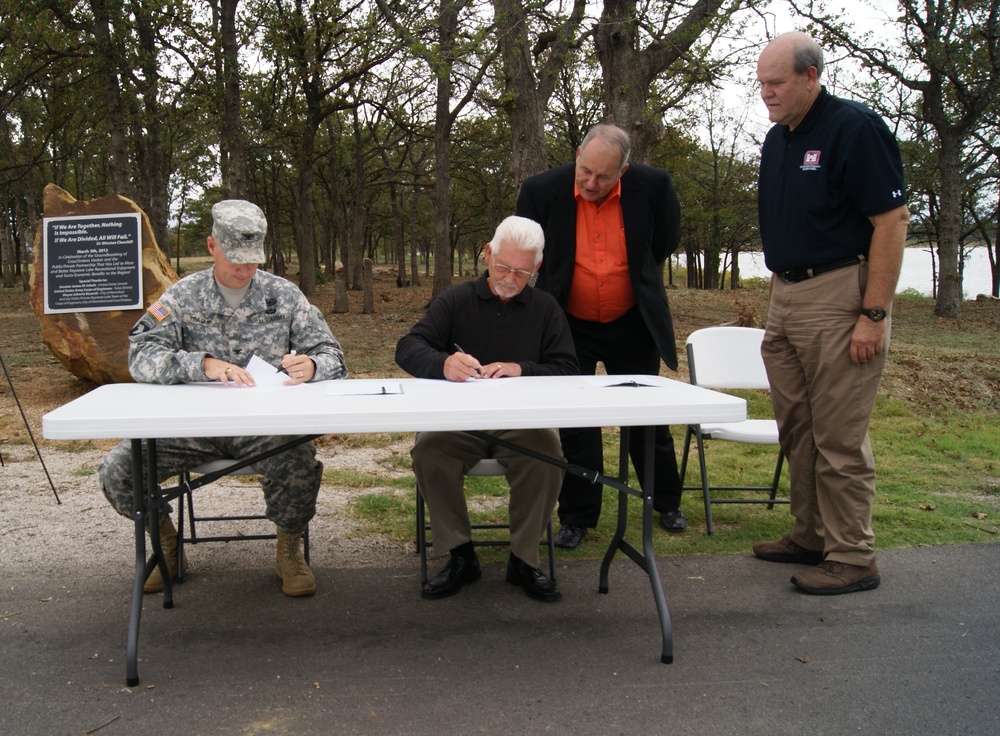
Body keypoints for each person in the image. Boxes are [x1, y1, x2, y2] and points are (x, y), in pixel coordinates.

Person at [98, 199, 348, 597]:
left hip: (263, 427)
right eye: (235, 258)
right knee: (119, 471)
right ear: (212, 246)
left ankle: (289, 547)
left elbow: (333, 355)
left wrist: (313, 367)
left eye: (252, 260)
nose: (244, 269)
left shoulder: (284, 296)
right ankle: (166, 542)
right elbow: (140, 356)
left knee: (299, 460)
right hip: (190, 428)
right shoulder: (182, 296)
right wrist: (203, 365)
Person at [753, 32, 909, 594]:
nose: (765, 93)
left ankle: (853, 554)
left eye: (776, 83)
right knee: (797, 427)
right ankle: (811, 534)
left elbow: (891, 223)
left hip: (841, 294)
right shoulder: (779, 138)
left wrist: (875, 312)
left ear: (811, 77)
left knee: (839, 436)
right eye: (761, 83)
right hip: (785, 295)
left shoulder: (854, 129)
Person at [515, 123, 685, 549]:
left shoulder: (654, 186)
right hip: (568, 323)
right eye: (585, 171)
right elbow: (529, 248)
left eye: (604, 177)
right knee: (576, 424)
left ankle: (665, 502)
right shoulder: (540, 190)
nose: (591, 183)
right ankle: (577, 516)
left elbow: (661, 242)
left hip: (633, 320)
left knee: (646, 419)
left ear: (624, 169)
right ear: (577, 154)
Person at [395, 215, 579, 602]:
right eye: (502, 267)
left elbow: (567, 369)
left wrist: (521, 369)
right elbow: (408, 348)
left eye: (522, 271)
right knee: (429, 452)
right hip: (460, 424)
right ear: (487, 254)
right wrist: (443, 364)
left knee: (547, 455)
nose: (510, 279)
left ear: (537, 268)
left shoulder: (546, 309)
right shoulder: (456, 300)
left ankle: (524, 559)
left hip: (523, 424)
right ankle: (461, 555)